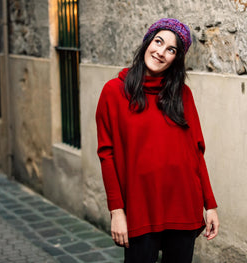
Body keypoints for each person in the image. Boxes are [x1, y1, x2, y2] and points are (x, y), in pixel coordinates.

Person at [96, 18, 219, 263]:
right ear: (147, 43)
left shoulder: (183, 94)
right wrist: (117, 211)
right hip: (140, 209)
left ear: (177, 58)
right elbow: (106, 154)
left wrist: (210, 204)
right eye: (158, 42)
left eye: (171, 49)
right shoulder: (113, 92)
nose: (161, 52)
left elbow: (196, 153)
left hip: (183, 206)